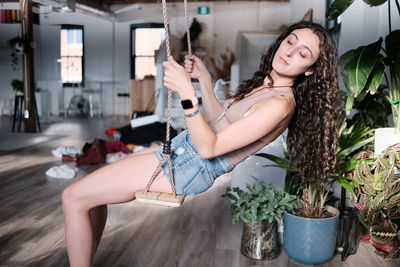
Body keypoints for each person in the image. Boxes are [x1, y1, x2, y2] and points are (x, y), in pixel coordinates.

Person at [61, 21, 339, 266]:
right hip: (183, 152)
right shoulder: (267, 86)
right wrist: (204, 80)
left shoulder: (280, 104)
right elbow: (222, 120)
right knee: (90, 199)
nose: (290, 51)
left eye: (303, 53)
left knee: (72, 197)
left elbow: (210, 147)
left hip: (189, 166)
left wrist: (186, 93)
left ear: (310, 70)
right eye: (291, 41)